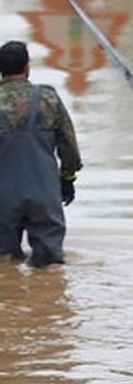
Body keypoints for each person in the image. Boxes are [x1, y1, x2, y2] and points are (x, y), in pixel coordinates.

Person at [0, 39, 82, 267]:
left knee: (5, 267)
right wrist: (67, 179)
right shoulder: (48, 99)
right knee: (50, 268)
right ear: (27, 68)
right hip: (43, 194)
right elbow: (69, 148)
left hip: (2, 198)